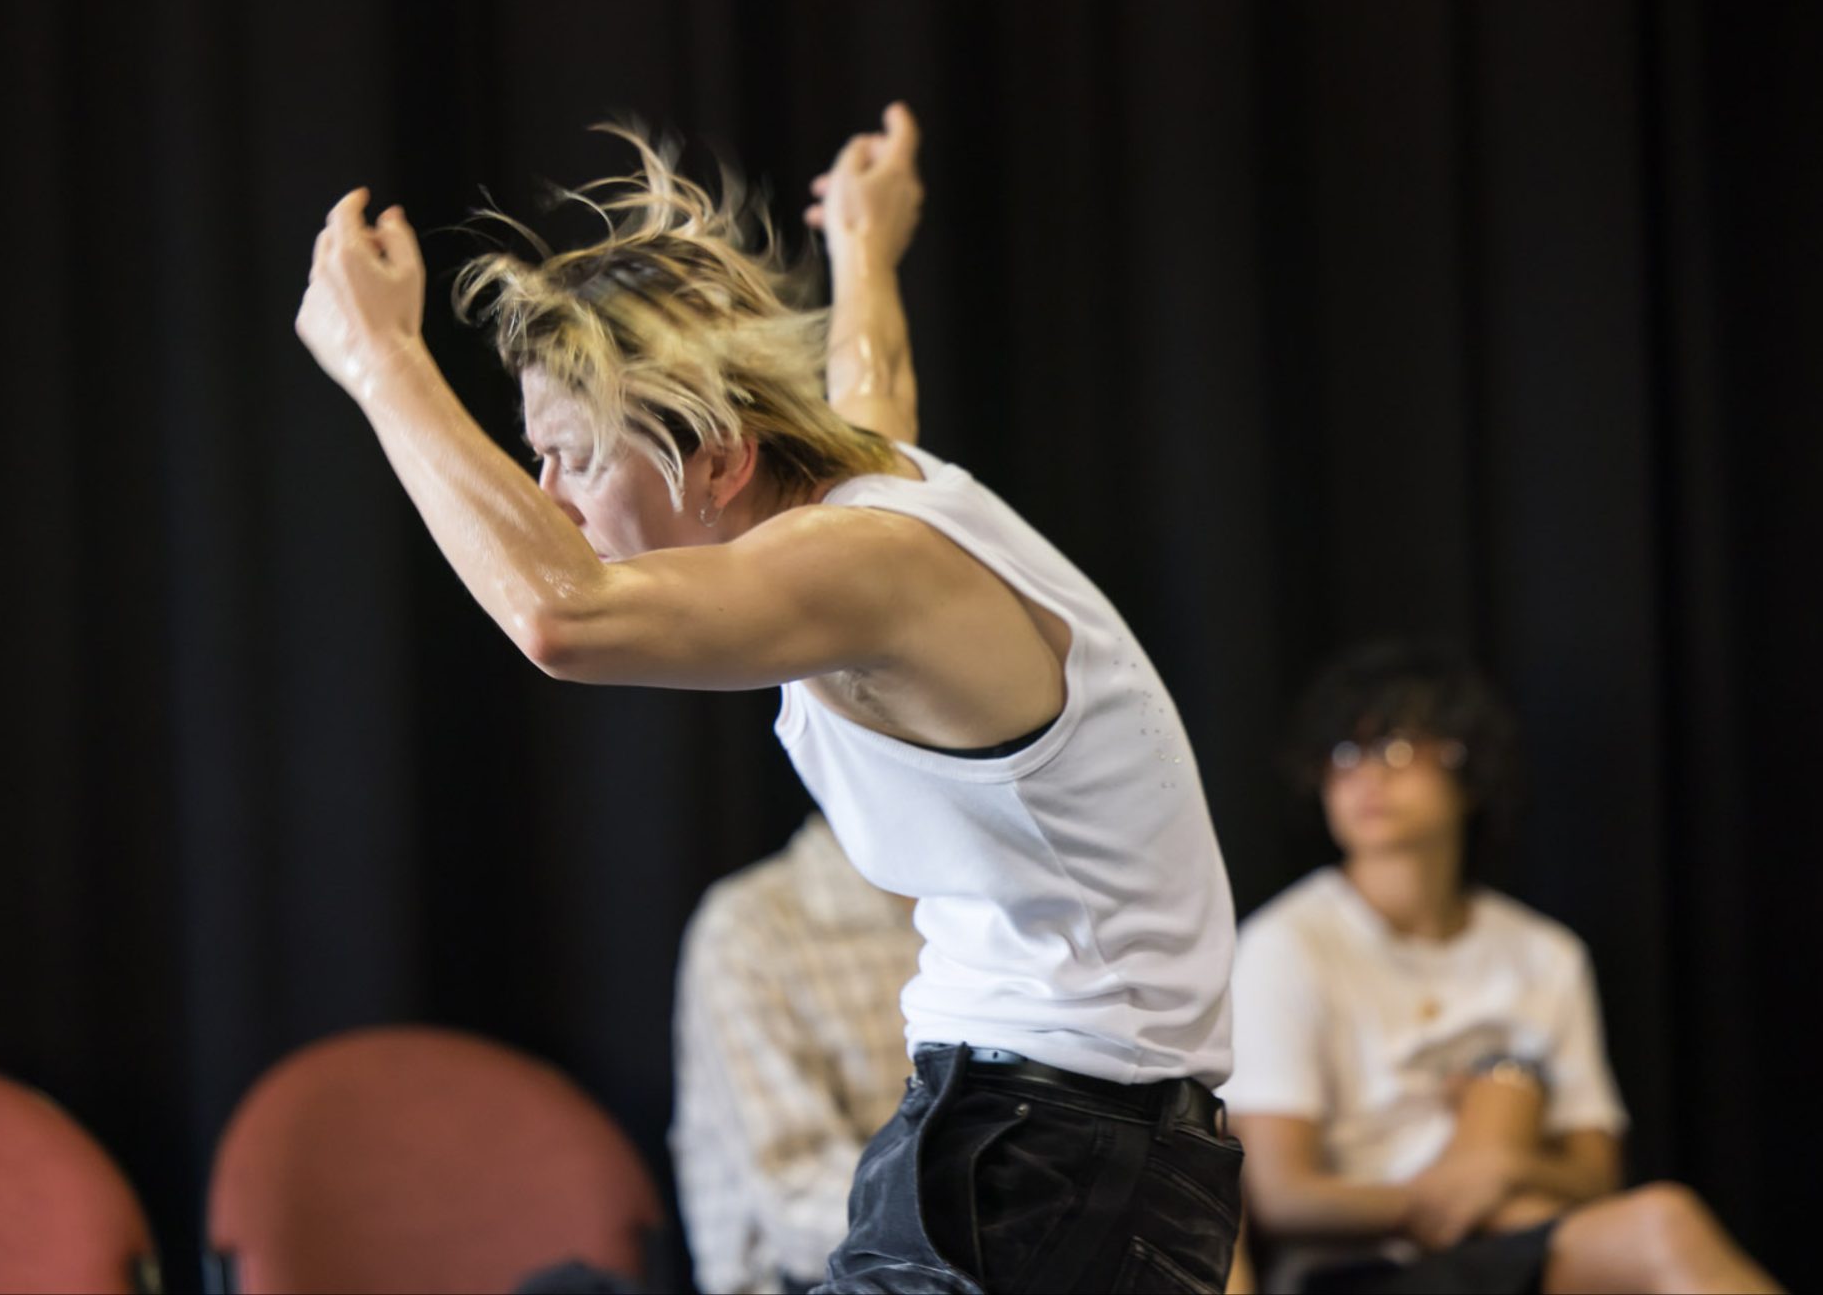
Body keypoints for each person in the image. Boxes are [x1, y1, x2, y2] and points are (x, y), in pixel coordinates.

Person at [292, 102, 1241, 1292]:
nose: (547, 499)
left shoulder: (868, 564)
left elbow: (560, 618)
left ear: (721, 460)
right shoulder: (867, 496)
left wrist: (382, 365)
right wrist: (863, 245)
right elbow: (873, 376)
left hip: (1058, 1153)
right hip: (1022, 1138)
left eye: (574, 456)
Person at [1223, 641, 1780, 1294]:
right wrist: (1451, 1197)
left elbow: (1597, 1172)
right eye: (1343, 754)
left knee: (1658, 1223)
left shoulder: (1543, 953)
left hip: (1516, 1249)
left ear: (1469, 768)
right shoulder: (1287, 944)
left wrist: (1499, 1164)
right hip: (1361, 1270)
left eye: (1396, 748)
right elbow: (1282, 1194)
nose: (1365, 777)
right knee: (1663, 1226)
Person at [671, 813, 922, 1294]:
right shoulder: (752, 925)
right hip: (814, 1279)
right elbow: (795, 1195)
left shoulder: (990, 908)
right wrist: (974, 1214)